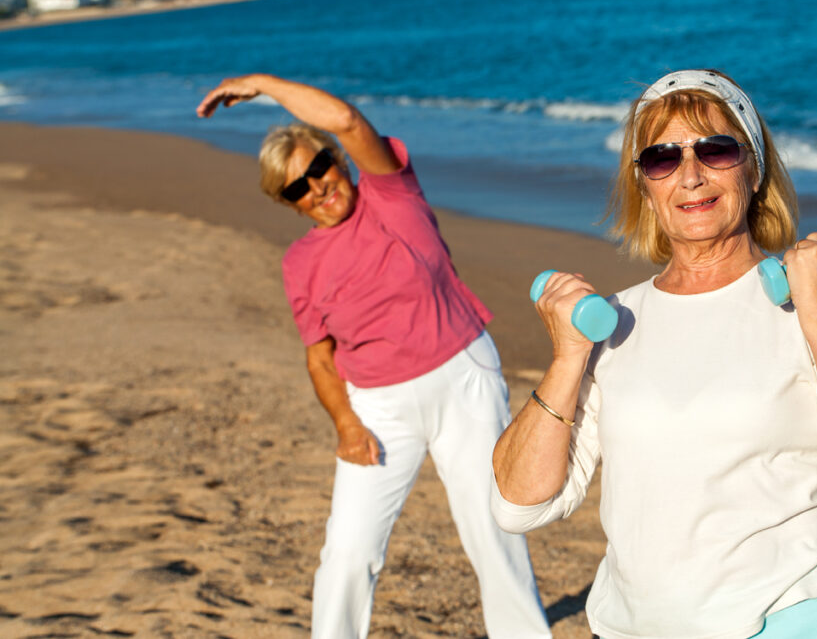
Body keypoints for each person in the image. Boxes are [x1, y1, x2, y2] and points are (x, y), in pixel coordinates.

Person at [490, 69, 817, 639]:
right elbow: (518, 507)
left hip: (802, 611)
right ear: (645, 186)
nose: (691, 175)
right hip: (637, 625)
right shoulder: (615, 323)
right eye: (662, 159)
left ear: (754, 170)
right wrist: (568, 358)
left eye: (717, 150)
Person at [195, 74, 550, 639]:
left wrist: (262, 84)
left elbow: (348, 120)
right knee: (348, 551)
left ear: (337, 160)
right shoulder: (300, 265)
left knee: (493, 531)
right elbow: (319, 358)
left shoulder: (391, 193)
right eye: (297, 189)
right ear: (287, 203)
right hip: (378, 409)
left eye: (320, 168)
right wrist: (345, 423)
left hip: (464, 378)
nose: (317, 187)